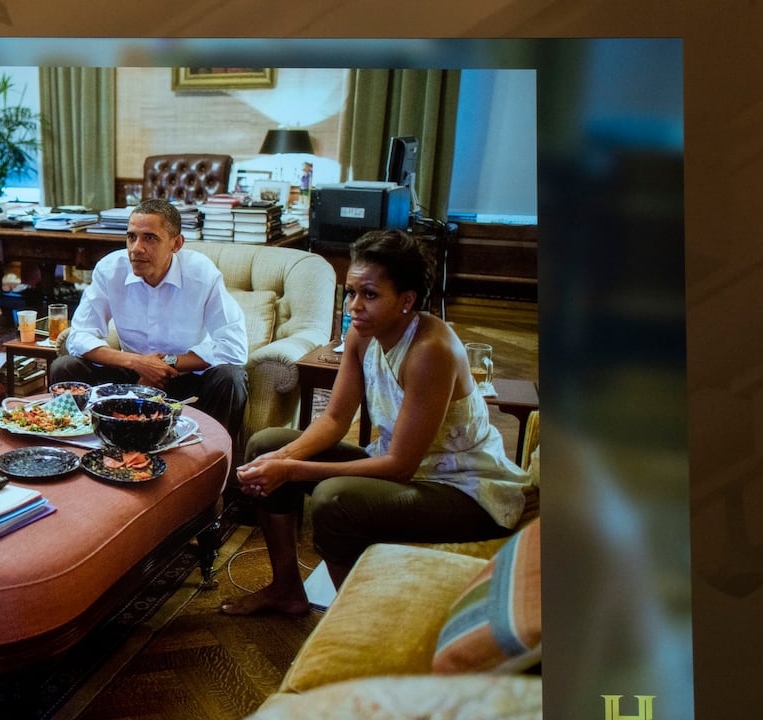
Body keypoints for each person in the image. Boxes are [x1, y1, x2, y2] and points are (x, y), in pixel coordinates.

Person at [221, 228, 532, 616]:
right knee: (265, 444)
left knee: (332, 499)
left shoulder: (430, 349)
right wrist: (278, 459)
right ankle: (286, 589)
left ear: (407, 300)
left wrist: (291, 470)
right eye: (351, 293)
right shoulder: (361, 334)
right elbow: (334, 419)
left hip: (462, 490)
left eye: (369, 295)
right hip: (409, 474)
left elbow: (400, 466)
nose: (354, 306)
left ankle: (355, 619)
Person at [46, 198, 249, 441]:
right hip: (130, 374)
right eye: (131, 237)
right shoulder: (111, 269)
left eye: (150, 238)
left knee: (231, 378)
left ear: (176, 243)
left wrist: (169, 364)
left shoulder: (202, 274)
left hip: (187, 376)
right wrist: (137, 363)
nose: (136, 248)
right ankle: (78, 445)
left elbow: (234, 347)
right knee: (65, 366)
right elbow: (79, 336)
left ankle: (213, 457)